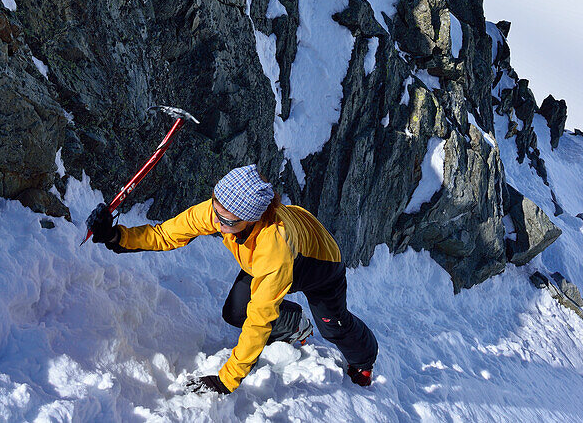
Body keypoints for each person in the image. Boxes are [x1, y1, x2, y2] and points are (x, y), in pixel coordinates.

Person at [86, 164, 378, 395]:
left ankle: (364, 362)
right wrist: (117, 236)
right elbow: (165, 234)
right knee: (235, 312)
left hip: (318, 266)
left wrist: (227, 380)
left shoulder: (272, 247)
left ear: (251, 218)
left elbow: (260, 320)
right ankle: (294, 322)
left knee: (334, 327)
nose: (218, 223)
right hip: (262, 260)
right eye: (216, 211)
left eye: (228, 221)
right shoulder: (221, 210)